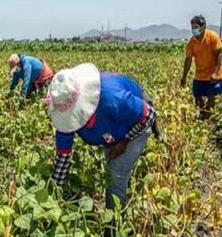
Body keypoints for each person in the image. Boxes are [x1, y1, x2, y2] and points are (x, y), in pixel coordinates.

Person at [43, 63, 157, 212]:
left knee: (116, 175)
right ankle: (122, 202)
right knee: (112, 167)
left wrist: (124, 141)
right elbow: (63, 159)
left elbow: (150, 115)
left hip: (135, 122)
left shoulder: (113, 99)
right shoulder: (64, 110)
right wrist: (51, 199)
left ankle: (113, 228)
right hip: (110, 129)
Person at [180, 15, 222, 120]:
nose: (193, 30)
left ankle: (207, 118)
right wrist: (184, 76)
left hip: (214, 72)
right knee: (197, 95)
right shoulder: (192, 42)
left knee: (211, 95)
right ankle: (203, 114)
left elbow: (220, 54)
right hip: (200, 73)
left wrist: (215, 73)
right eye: (192, 27)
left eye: (196, 27)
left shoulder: (212, 36)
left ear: (203, 26)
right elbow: (188, 59)